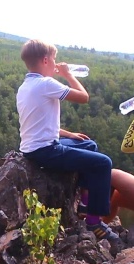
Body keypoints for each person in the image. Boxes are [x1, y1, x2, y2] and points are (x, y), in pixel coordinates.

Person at [16, 39, 119, 241]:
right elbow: (84, 97)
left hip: (35, 147)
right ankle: (94, 222)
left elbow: (38, 123)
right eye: (54, 59)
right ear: (45, 60)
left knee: (90, 145)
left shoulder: (25, 86)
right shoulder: (46, 83)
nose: (56, 64)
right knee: (103, 163)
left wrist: (70, 135)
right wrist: (68, 74)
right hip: (46, 151)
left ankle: (83, 203)